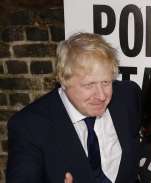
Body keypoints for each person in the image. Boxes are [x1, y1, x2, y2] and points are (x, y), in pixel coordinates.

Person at [7, 32, 141, 183]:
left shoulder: (128, 96)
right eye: (89, 85)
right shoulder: (29, 127)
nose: (102, 96)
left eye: (106, 82)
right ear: (63, 79)